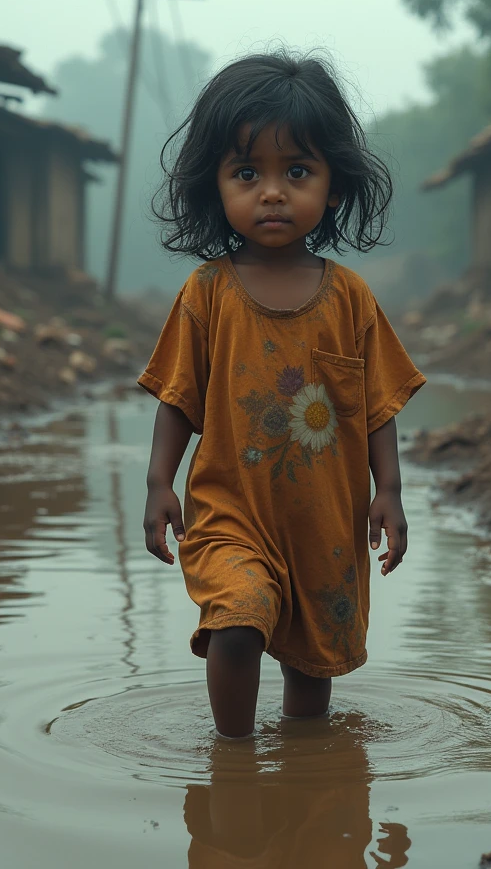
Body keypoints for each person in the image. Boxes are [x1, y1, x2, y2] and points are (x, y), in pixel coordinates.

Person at [139, 50, 425, 740]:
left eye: (295, 171)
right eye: (248, 173)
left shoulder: (350, 298)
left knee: (310, 666)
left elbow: (375, 405)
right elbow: (178, 397)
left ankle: (305, 778)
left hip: (324, 524)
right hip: (231, 512)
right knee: (235, 622)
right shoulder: (207, 293)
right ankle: (232, 764)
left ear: (331, 185)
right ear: (217, 186)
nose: (272, 192)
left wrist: (388, 491)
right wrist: (158, 483)